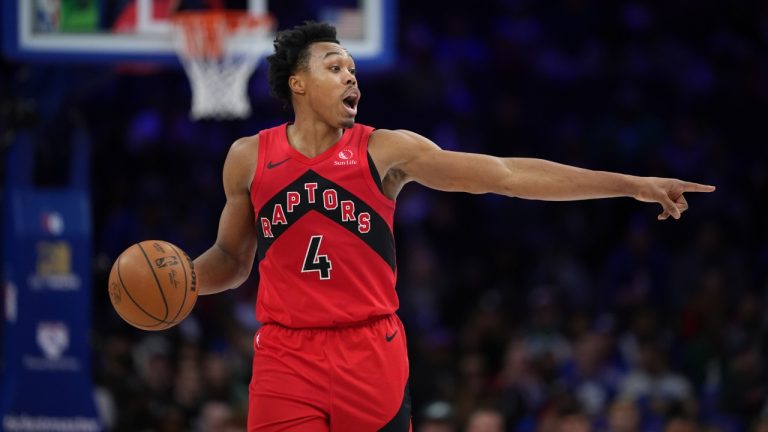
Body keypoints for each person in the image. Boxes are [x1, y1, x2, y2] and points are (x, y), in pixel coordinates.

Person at [191, 21, 715, 431]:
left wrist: (631, 184)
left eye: (353, 68)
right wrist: (186, 281)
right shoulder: (249, 157)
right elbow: (233, 260)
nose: (351, 76)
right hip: (286, 352)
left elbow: (507, 175)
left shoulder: (384, 150)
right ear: (298, 83)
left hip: (369, 348)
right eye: (335, 67)